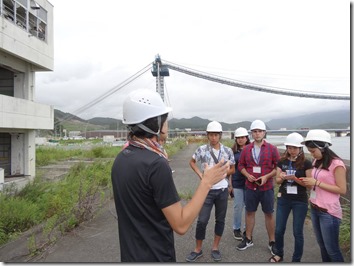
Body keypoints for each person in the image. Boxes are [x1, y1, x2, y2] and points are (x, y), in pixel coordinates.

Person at [111, 89, 230, 262]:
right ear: (155, 124)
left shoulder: (121, 158)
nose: (167, 125)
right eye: (164, 120)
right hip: (156, 255)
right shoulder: (156, 164)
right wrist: (206, 182)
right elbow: (181, 225)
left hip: (130, 255)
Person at [186, 121, 236, 262]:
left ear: (220, 135)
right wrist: (200, 175)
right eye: (211, 135)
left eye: (216, 135)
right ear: (207, 135)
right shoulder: (202, 149)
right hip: (206, 191)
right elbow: (192, 162)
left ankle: (215, 247)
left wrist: (224, 172)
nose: (213, 137)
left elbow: (233, 168)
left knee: (220, 220)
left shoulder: (227, 151)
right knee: (202, 220)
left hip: (222, 190)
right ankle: (197, 249)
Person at [300, 129, 346, 262]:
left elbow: (342, 189)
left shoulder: (337, 164)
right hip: (315, 208)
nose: (311, 154)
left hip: (328, 213)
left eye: (313, 151)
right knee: (322, 246)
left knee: (332, 249)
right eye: (310, 151)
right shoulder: (316, 162)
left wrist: (317, 183)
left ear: (323, 147)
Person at [236, 119, 280, 255]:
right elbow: (241, 165)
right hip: (250, 186)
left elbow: (277, 166)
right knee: (249, 212)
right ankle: (248, 238)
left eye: (259, 131)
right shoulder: (246, 149)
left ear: (264, 132)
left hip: (266, 187)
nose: (257, 134)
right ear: (251, 134)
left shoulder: (272, 149)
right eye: (254, 131)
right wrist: (247, 174)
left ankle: (272, 241)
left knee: (269, 213)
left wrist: (267, 176)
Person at [268, 133, 312, 262]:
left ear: (300, 148)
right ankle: (278, 253)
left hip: (300, 200)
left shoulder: (306, 163)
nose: (291, 150)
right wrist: (281, 178)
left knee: (297, 232)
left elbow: (309, 185)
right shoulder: (282, 161)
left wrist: (294, 179)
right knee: (279, 228)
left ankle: (296, 259)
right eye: (289, 147)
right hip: (284, 198)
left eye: (294, 148)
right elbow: (277, 181)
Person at [230, 127, 250, 240]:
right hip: (237, 182)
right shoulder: (233, 152)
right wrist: (230, 185)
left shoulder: (252, 150)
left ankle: (248, 228)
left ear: (247, 138)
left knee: (249, 207)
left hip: (250, 183)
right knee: (238, 206)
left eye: (242, 137)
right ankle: (236, 228)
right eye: (238, 138)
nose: (241, 140)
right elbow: (230, 169)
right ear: (236, 139)